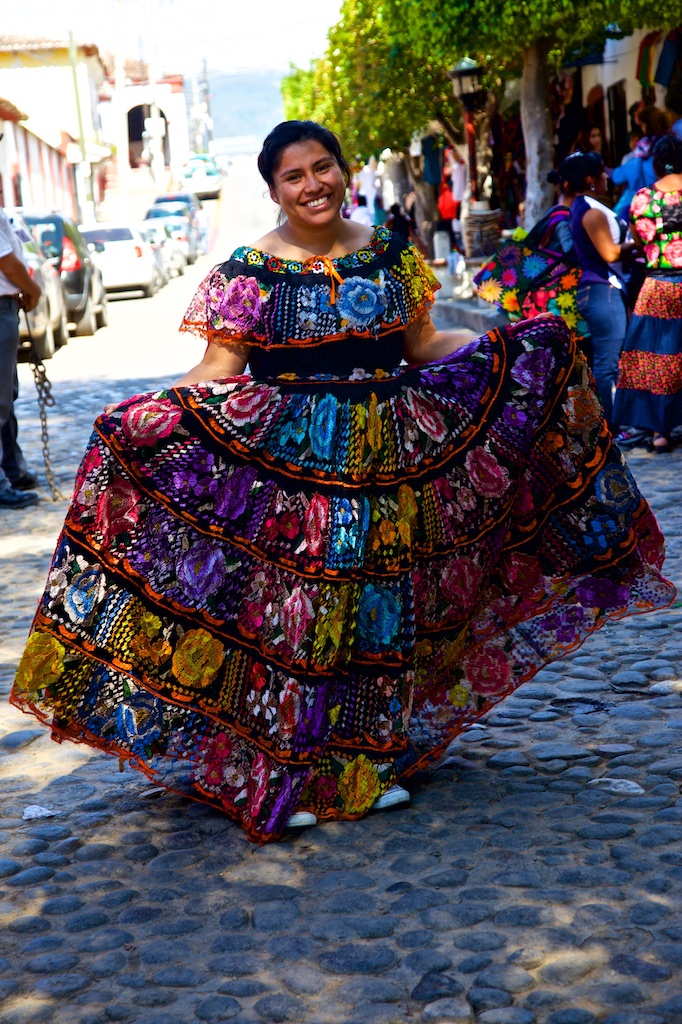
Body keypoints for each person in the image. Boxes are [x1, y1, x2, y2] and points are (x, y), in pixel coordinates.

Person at [11, 120, 674, 845]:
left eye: (322, 167)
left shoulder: (390, 255)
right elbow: (218, 372)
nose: (312, 185)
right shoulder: (246, 273)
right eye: (293, 176)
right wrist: (141, 417)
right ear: (274, 190)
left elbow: (423, 346)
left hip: (387, 468)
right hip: (287, 480)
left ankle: (364, 770)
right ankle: (279, 774)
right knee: (294, 622)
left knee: (377, 617)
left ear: (341, 168)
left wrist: (509, 340)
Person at [613, 135, 682, 453]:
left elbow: (640, 245)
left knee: (656, 359)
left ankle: (660, 431)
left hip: (657, 288)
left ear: (654, 164)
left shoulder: (642, 199)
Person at [568, 151, 630, 427]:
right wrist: (640, 240)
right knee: (608, 366)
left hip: (596, 291)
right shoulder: (591, 212)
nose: (607, 176)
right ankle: (610, 427)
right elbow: (611, 253)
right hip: (602, 291)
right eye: (602, 172)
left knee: (608, 363)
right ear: (591, 179)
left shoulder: (583, 206)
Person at [0, 204, 42, 509]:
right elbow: (7, 263)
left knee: (6, 396)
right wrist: (33, 290)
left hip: (7, 306)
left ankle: (14, 471)